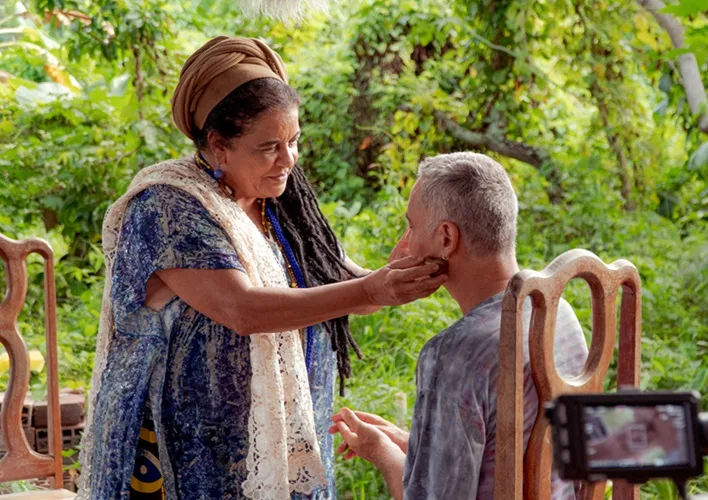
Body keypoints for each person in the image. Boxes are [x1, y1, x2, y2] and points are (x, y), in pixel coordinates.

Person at [77, 36, 447, 499]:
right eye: (269, 146)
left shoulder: (278, 203)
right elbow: (243, 309)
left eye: (293, 141)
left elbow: (345, 291)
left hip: (271, 446)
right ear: (217, 146)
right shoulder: (168, 206)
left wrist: (401, 271)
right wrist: (374, 289)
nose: (288, 160)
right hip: (183, 453)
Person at [330, 152, 589, 499]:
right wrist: (415, 445)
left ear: (447, 239)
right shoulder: (558, 312)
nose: (403, 245)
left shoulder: (454, 355)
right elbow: (515, 451)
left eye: (411, 226)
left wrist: (381, 452)